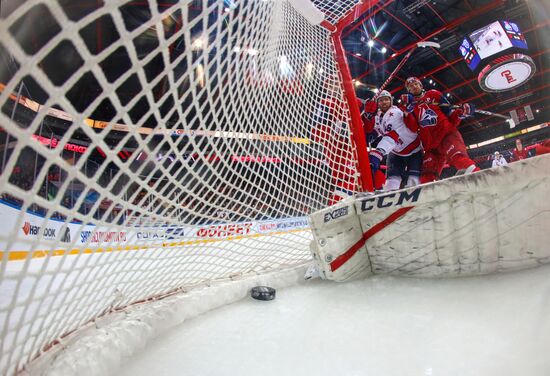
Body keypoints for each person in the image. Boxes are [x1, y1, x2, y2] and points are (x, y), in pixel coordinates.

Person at [400, 77, 479, 183]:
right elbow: (413, 128)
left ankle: (482, 177)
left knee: (459, 159)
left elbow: (450, 114)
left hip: (447, 135)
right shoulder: (410, 105)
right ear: (408, 90)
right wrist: (407, 112)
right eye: (410, 86)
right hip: (431, 146)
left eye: (415, 84)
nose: (413, 86)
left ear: (420, 85)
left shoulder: (433, 94)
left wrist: (461, 113)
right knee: (426, 175)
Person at [362, 90, 422, 190]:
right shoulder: (378, 117)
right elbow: (371, 136)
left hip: (413, 151)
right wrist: (368, 118)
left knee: (413, 182)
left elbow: (392, 136)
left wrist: (378, 153)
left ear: (391, 101)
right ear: (377, 103)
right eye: (381, 100)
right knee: (391, 183)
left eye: (386, 99)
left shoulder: (395, 113)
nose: (384, 102)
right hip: (396, 152)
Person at [310, 87, 357, 205]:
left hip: (354, 153)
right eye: (333, 84)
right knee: (348, 180)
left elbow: (368, 132)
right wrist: (335, 132)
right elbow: (317, 132)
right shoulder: (326, 103)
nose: (337, 87)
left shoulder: (353, 103)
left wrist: (368, 116)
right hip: (339, 156)